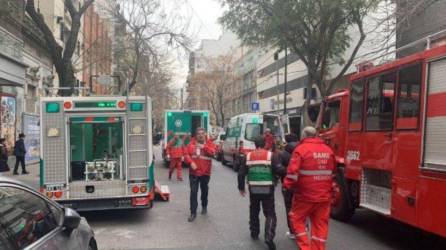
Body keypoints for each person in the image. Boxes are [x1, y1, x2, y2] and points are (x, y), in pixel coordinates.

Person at [284, 127, 335, 250]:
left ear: (304, 135)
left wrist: (287, 186)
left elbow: (292, 173)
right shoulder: (328, 150)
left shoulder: (300, 150)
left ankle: (305, 247)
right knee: (320, 224)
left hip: (304, 195)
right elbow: (332, 172)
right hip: (324, 196)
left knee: (296, 218)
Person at [238, 136, 285, 250]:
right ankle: (269, 236)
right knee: (270, 213)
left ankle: (254, 232)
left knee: (254, 210)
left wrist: (241, 188)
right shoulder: (271, 155)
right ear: (265, 144)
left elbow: (241, 173)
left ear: (255, 144)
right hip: (267, 187)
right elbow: (279, 170)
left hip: (253, 188)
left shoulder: (248, 156)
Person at [183, 127, 217, 222]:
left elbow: (213, 153)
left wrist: (204, 147)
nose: (201, 135)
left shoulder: (210, 144)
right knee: (193, 192)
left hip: (205, 173)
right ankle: (193, 212)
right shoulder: (191, 144)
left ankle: (204, 206)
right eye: (199, 134)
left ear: (205, 134)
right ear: (196, 135)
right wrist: (191, 162)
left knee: (204, 191)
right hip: (194, 173)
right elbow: (186, 154)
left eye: (202, 133)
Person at [280, 133, 299, 239]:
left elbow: (280, 170)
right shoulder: (302, 151)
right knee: (301, 207)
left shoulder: (283, 154)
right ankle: (303, 228)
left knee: (289, 207)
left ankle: (292, 231)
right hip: (302, 185)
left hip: (288, 185)